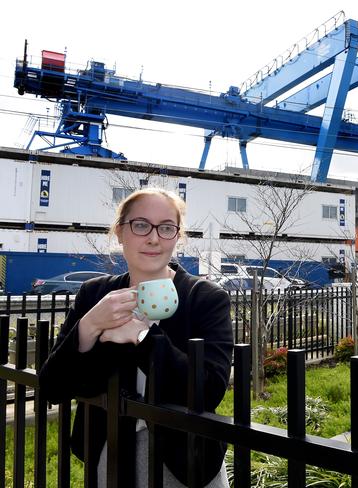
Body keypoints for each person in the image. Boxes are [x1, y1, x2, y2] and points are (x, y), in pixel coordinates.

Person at [39, 188, 233, 487]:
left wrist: (144, 336)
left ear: (177, 237)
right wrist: (90, 325)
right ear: (120, 232)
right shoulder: (95, 294)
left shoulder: (204, 297)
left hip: (184, 461)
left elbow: (208, 392)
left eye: (166, 228)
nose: (153, 238)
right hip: (109, 451)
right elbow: (53, 387)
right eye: (141, 225)